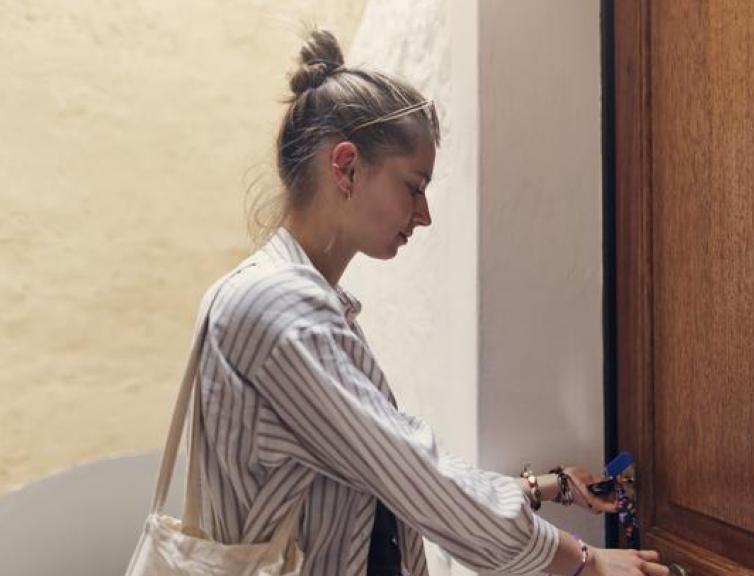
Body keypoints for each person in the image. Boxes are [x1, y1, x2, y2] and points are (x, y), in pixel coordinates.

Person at [194, 26, 669, 576]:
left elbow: (383, 473)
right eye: (414, 187)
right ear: (346, 167)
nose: (423, 215)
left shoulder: (295, 300)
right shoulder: (278, 310)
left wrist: (543, 488)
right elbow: (412, 476)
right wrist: (586, 563)